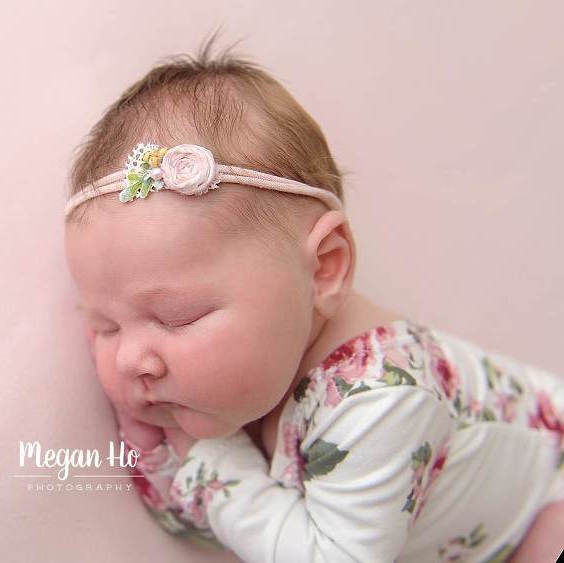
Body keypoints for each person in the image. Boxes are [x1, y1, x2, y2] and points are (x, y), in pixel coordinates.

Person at [62, 34, 564, 563]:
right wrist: (160, 453)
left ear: (323, 268)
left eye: (177, 316)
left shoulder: (379, 396)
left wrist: (210, 456)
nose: (128, 359)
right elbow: (228, 527)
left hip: (546, 498)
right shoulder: (253, 372)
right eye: (105, 325)